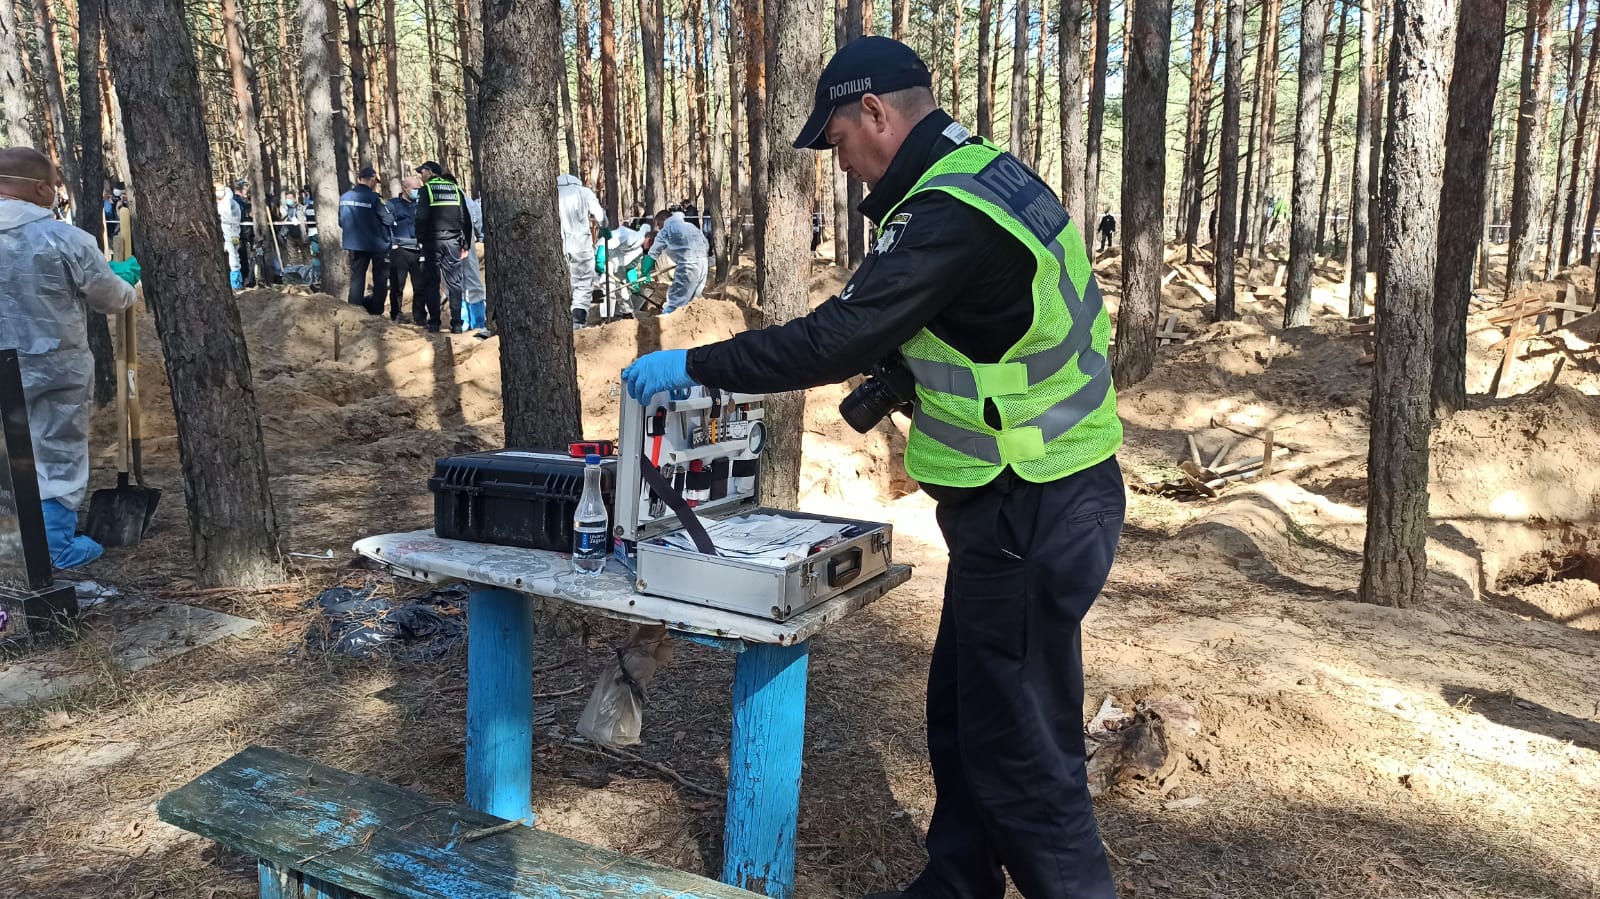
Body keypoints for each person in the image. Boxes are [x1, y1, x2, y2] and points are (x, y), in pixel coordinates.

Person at [621, 36, 1123, 899]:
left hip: (1032, 503)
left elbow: (832, 335)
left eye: (840, 140)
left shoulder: (946, 210)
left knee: (1024, 756)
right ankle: (957, 883)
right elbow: (994, 317)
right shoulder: (981, 176)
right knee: (964, 716)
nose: (841, 163)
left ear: (878, 113)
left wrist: (699, 367)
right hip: (1022, 498)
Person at [0, 147, 140, 569]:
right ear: (40, 188)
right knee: (56, 450)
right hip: (54, 366)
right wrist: (123, 279)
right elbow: (111, 299)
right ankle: (54, 544)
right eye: (55, 187)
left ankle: (11, 544)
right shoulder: (63, 239)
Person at [413, 162, 472, 333]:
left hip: (433, 241)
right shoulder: (454, 188)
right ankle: (457, 323)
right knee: (455, 283)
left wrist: (420, 239)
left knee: (432, 282)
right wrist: (465, 243)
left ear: (430, 172)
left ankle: (434, 322)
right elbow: (465, 217)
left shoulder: (427, 190)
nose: (420, 176)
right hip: (453, 241)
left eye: (422, 173)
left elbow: (421, 217)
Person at [339, 165, 395, 314]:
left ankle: (354, 311)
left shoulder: (344, 197)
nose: (375, 184)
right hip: (377, 244)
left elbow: (341, 221)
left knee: (357, 279)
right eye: (375, 181)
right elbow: (388, 219)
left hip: (355, 244)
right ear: (371, 180)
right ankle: (377, 311)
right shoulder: (374, 198)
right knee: (380, 279)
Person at [559, 173, 607, 329]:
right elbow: (599, 214)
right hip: (581, 245)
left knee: (562, 282)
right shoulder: (584, 192)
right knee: (583, 284)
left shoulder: (553, 193)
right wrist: (605, 226)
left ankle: (561, 317)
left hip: (559, 245)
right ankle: (578, 321)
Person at [647, 206, 709, 314]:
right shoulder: (690, 226)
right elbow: (706, 244)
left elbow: (653, 253)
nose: (658, 227)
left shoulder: (667, 229)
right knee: (694, 297)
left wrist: (644, 271)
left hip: (688, 265)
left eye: (658, 224)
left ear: (663, 220)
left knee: (676, 297)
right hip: (703, 263)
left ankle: (667, 320)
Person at [387, 175, 424, 323]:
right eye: (415, 189)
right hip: (400, 250)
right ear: (405, 189)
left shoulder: (421, 205)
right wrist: (392, 243)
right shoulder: (392, 204)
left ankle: (420, 317)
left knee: (420, 286)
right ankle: (396, 314)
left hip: (418, 249)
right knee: (397, 285)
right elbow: (385, 224)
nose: (418, 192)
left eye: (419, 189)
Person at [217, 182, 243, 288]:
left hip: (230, 233)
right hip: (218, 234)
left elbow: (235, 221)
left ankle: (235, 282)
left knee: (233, 257)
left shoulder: (231, 203)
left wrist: (235, 235)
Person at [232, 178, 256, 287]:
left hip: (245, 233)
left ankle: (249, 279)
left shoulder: (243, 201)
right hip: (240, 234)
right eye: (245, 189)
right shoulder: (236, 201)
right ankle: (246, 279)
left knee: (247, 257)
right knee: (242, 257)